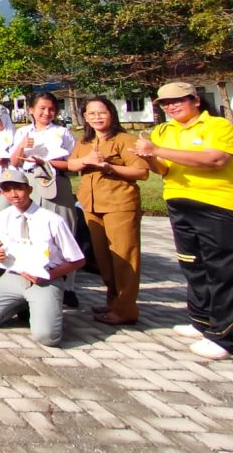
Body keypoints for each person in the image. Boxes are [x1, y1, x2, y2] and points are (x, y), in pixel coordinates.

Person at [136, 82, 233, 359]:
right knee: (193, 265)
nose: (171, 107)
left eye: (178, 101)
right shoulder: (164, 130)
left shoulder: (218, 127)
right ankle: (201, 320)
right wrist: (149, 157)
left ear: (195, 100)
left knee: (224, 271)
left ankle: (224, 337)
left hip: (220, 205)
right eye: (165, 104)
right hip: (180, 201)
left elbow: (215, 160)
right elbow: (163, 168)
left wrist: (156, 151)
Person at [0, 171, 86, 347]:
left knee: (47, 337)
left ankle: (46, 309)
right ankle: (25, 305)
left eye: (18, 189)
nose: (13, 194)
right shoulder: (3, 217)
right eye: (7, 190)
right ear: (2, 194)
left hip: (45, 279)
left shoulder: (52, 220)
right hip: (14, 275)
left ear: (29, 189)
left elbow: (78, 260)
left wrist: (49, 276)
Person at [66, 97, 148, 326]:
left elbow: (141, 172)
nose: (97, 117)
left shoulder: (125, 140)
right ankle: (114, 302)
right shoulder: (84, 142)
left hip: (119, 204)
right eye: (91, 114)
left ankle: (126, 309)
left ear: (111, 113)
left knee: (124, 257)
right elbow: (72, 165)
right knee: (103, 258)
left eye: (101, 112)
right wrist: (86, 161)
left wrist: (110, 167)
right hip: (92, 205)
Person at [9, 91, 79, 307]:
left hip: (56, 182)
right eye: (42, 108)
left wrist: (46, 162)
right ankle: (31, 276)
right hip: (29, 182)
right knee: (31, 230)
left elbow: (73, 164)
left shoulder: (62, 133)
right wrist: (23, 146)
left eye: (51, 109)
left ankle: (68, 286)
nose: (46, 113)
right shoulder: (22, 132)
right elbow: (14, 162)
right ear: (31, 110)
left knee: (62, 229)